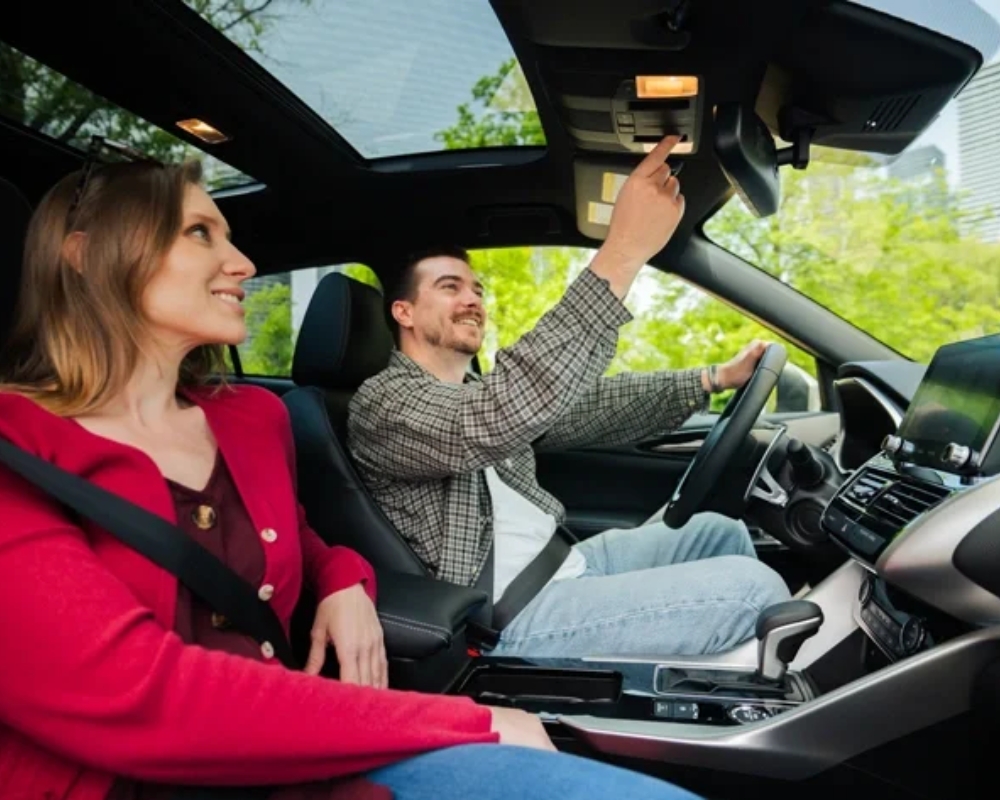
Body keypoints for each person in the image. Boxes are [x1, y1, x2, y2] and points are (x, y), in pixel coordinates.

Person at [0, 146, 706, 800]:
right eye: (199, 233)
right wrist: (457, 720)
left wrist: (342, 579)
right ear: (86, 256)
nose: (242, 262)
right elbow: (148, 698)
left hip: (288, 756)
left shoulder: (249, 419)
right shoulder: (17, 448)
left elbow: (297, 536)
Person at [348, 136, 791, 660]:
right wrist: (622, 253)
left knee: (719, 534)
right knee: (754, 591)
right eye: (450, 287)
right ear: (403, 312)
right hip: (513, 613)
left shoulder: (472, 390)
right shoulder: (383, 405)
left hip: (565, 564)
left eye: (477, 290)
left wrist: (712, 379)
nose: (472, 300)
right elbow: (491, 419)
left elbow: (587, 407)